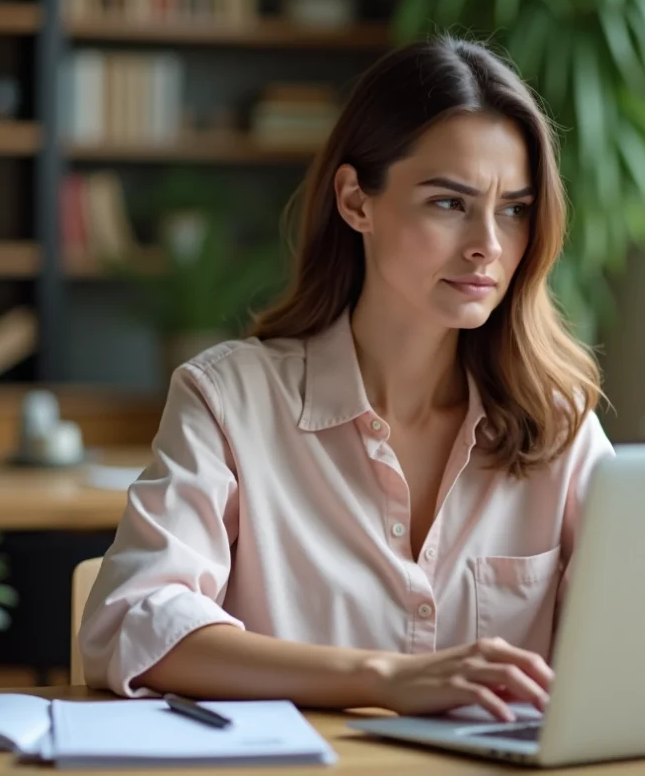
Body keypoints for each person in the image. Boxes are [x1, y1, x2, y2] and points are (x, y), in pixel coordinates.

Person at [78, 35, 614, 724]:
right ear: (356, 200)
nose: (488, 242)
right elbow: (131, 619)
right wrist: (384, 677)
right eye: (449, 203)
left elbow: (643, 635)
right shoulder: (231, 400)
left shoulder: (558, 422)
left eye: (513, 208)